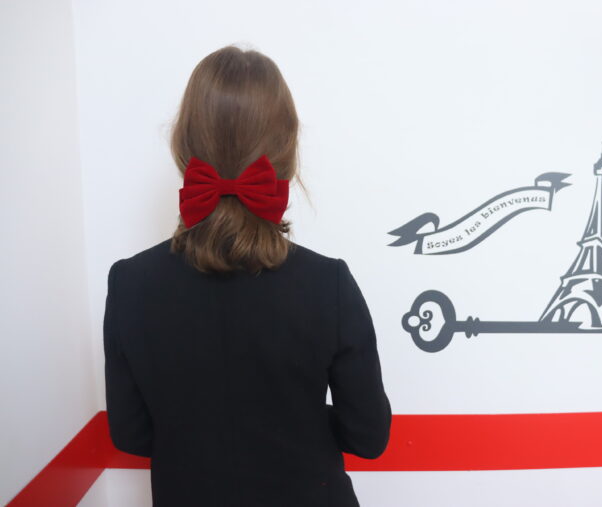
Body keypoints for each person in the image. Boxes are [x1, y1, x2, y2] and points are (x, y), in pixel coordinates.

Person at [103, 44, 392, 507]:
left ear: (183, 144)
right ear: (287, 151)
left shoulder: (129, 283)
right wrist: (294, 421)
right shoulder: (328, 285)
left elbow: (131, 433)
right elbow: (369, 436)